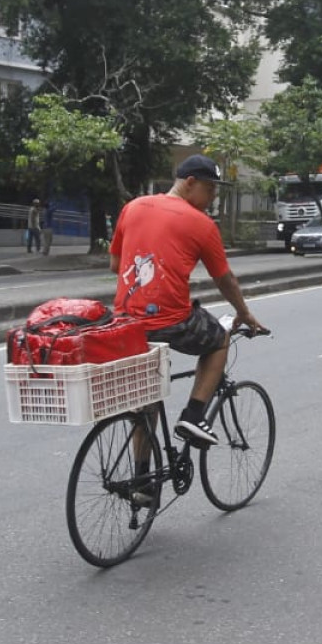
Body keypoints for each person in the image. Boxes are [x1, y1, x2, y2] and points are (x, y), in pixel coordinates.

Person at [110, 156, 268, 498]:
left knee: (147, 401)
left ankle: (143, 482)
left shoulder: (133, 207)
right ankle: (194, 416)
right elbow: (224, 279)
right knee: (219, 339)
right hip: (170, 321)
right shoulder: (201, 224)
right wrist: (244, 313)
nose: (212, 198)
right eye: (210, 189)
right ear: (190, 182)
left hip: (125, 323)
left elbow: (114, 263)